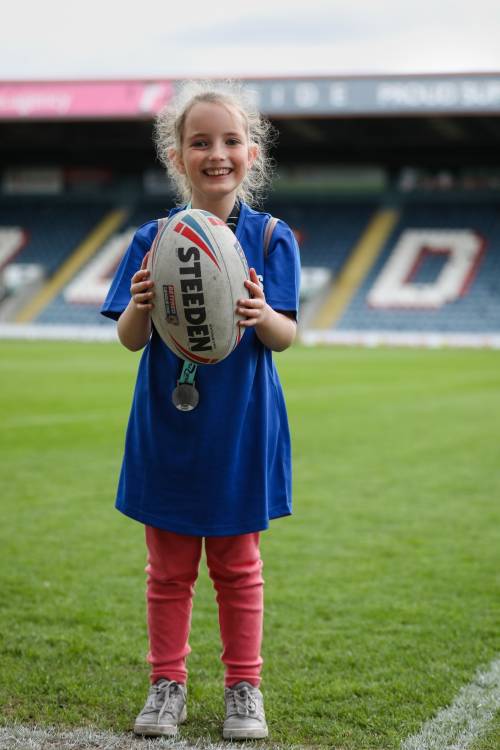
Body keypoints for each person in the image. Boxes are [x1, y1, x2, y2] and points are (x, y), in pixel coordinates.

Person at [101, 80, 301, 740]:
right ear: (177, 156)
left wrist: (262, 313)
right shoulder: (151, 238)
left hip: (241, 426)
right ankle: (168, 684)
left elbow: (286, 336)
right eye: (200, 142)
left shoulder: (272, 237)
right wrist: (139, 305)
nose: (217, 154)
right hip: (169, 426)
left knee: (238, 567)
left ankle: (245, 688)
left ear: (252, 153)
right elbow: (130, 338)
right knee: (168, 569)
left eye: (231, 141)